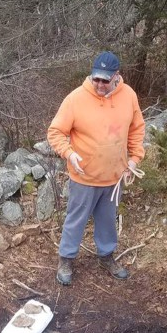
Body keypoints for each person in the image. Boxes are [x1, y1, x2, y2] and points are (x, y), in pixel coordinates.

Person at [47, 51, 145, 286]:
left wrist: (134, 160)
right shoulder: (75, 99)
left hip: (114, 176)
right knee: (75, 220)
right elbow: (55, 132)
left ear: (116, 77)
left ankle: (106, 256)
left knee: (108, 220)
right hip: (84, 176)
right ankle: (66, 259)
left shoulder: (128, 95)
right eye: (96, 79)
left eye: (105, 80)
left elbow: (136, 129)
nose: (100, 84)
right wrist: (70, 154)